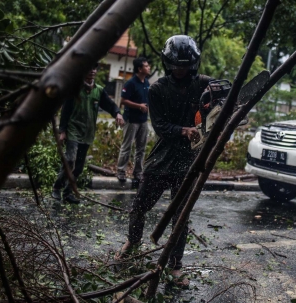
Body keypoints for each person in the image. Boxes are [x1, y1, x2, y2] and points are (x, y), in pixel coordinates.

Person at [117, 35, 212, 287]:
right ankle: (133, 241)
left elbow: (224, 102)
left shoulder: (203, 84)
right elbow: (159, 126)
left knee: (180, 216)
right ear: (169, 63)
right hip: (161, 161)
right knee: (139, 207)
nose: (182, 69)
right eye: (177, 65)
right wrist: (184, 130)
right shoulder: (158, 89)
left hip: (189, 163)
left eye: (186, 65)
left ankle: (175, 266)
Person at [51, 64, 125, 203]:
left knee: (78, 167)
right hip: (73, 130)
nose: (92, 71)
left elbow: (110, 105)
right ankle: (57, 187)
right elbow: (65, 110)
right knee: (70, 159)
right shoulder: (75, 89)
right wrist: (62, 131)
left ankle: (68, 193)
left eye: (94, 69)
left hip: (87, 133)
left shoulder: (99, 91)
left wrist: (117, 114)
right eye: (89, 68)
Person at [116, 57, 151, 183]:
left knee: (141, 148)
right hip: (131, 120)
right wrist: (139, 106)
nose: (149, 68)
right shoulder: (131, 83)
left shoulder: (146, 83)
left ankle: (138, 172)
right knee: (127, 146)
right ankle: (121, 171)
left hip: (143, 121)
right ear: (140, 69)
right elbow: (123, 101)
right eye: (146, 66)